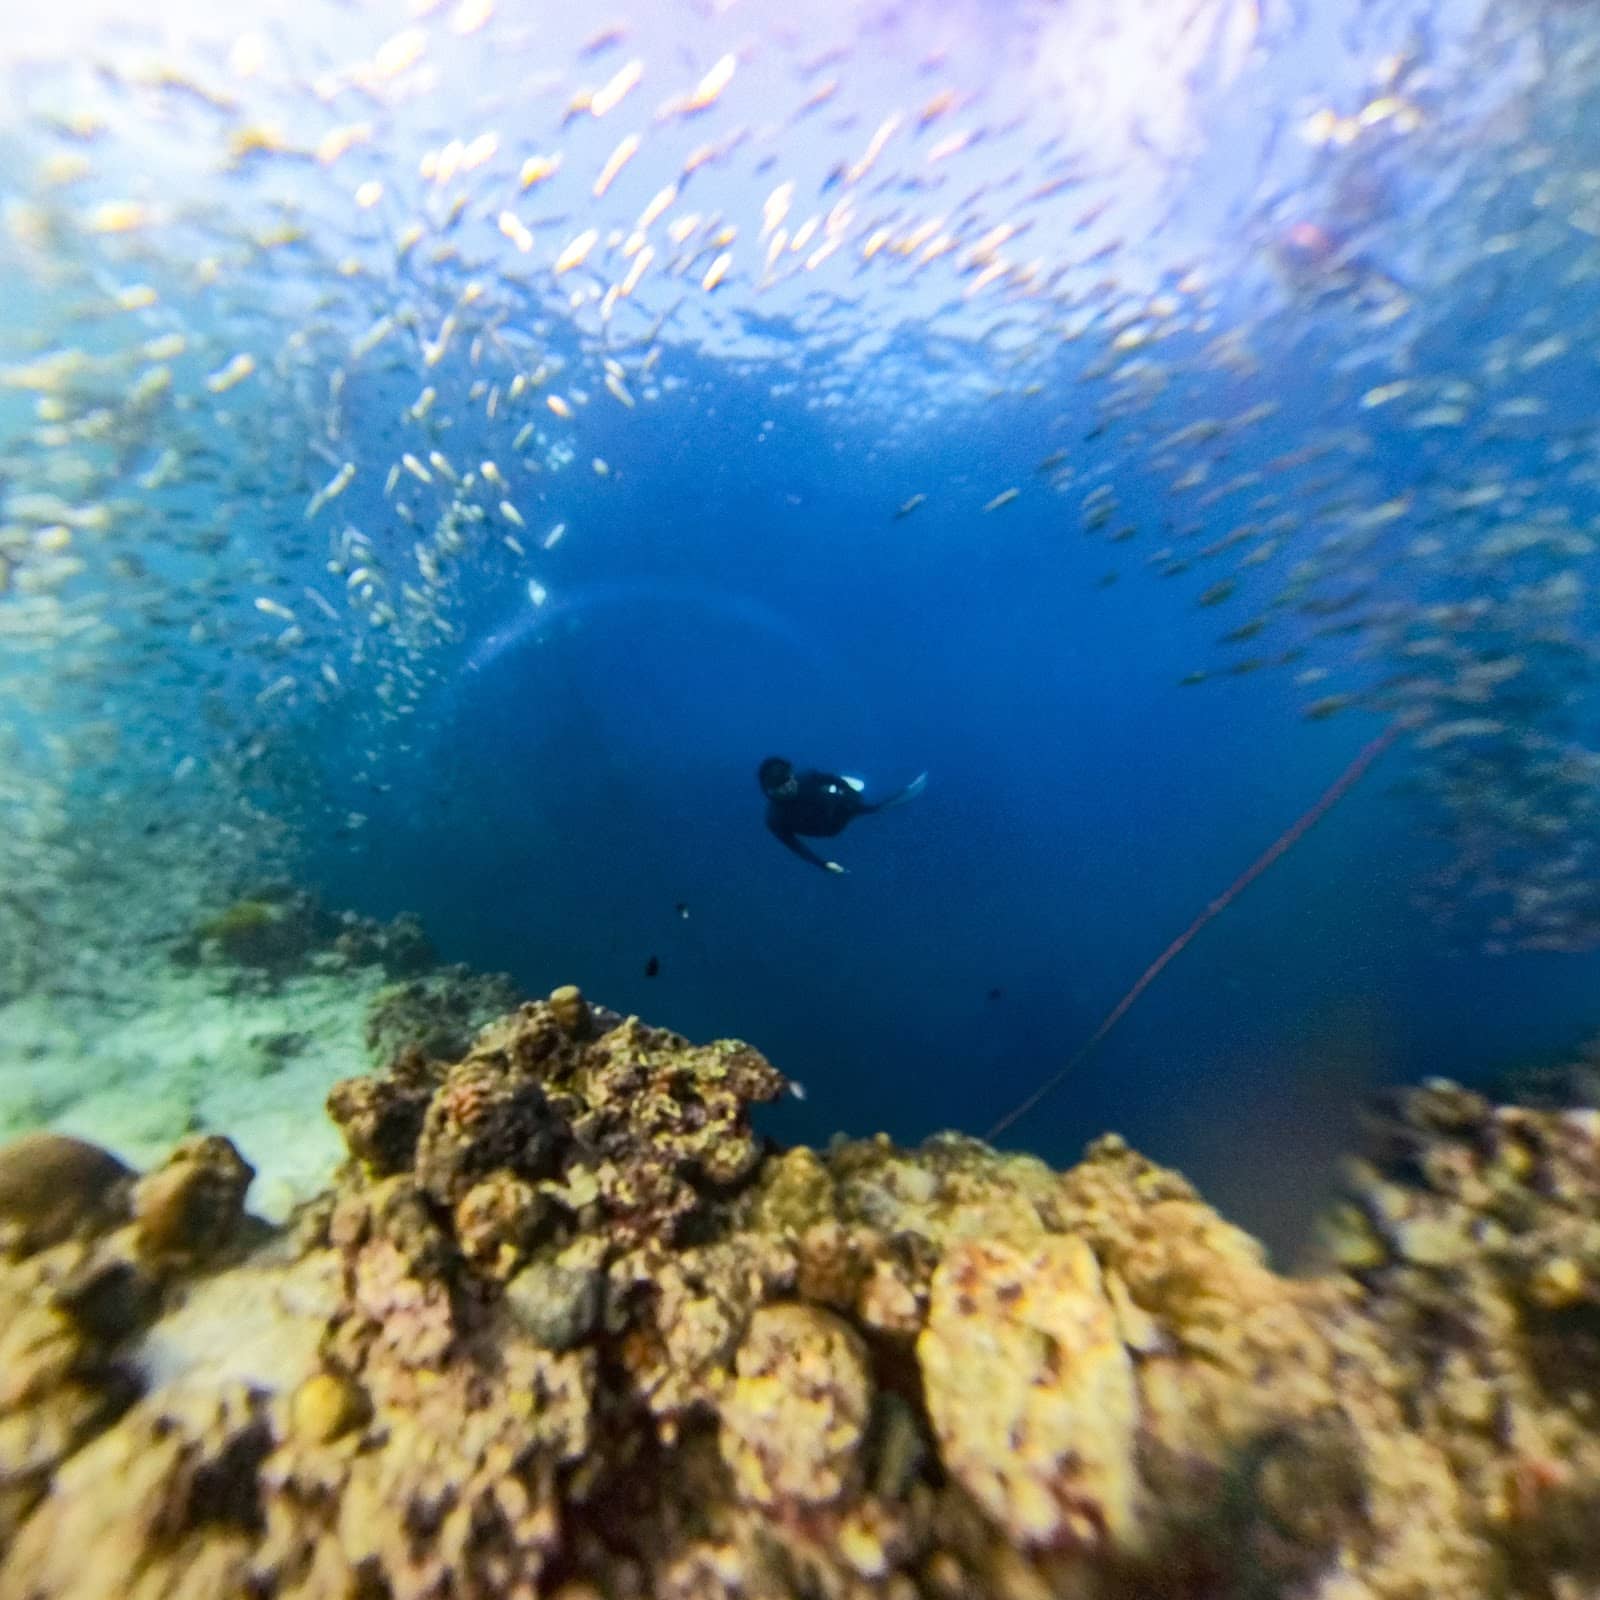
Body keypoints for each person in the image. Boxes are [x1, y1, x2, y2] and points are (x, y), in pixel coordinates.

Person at [757, 756, 926, 873]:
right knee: (853, 805)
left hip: (829, 803)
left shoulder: (807, 777)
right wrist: (822, 864)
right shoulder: (774, 818)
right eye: (782, 786)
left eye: (789, 779)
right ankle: (867, 803)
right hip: (828, 826)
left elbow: (830, 777)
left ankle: (851, 797)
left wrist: (849, 790)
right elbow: (795, 846)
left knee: (843, 796)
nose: (789, 786)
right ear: (770, 791)